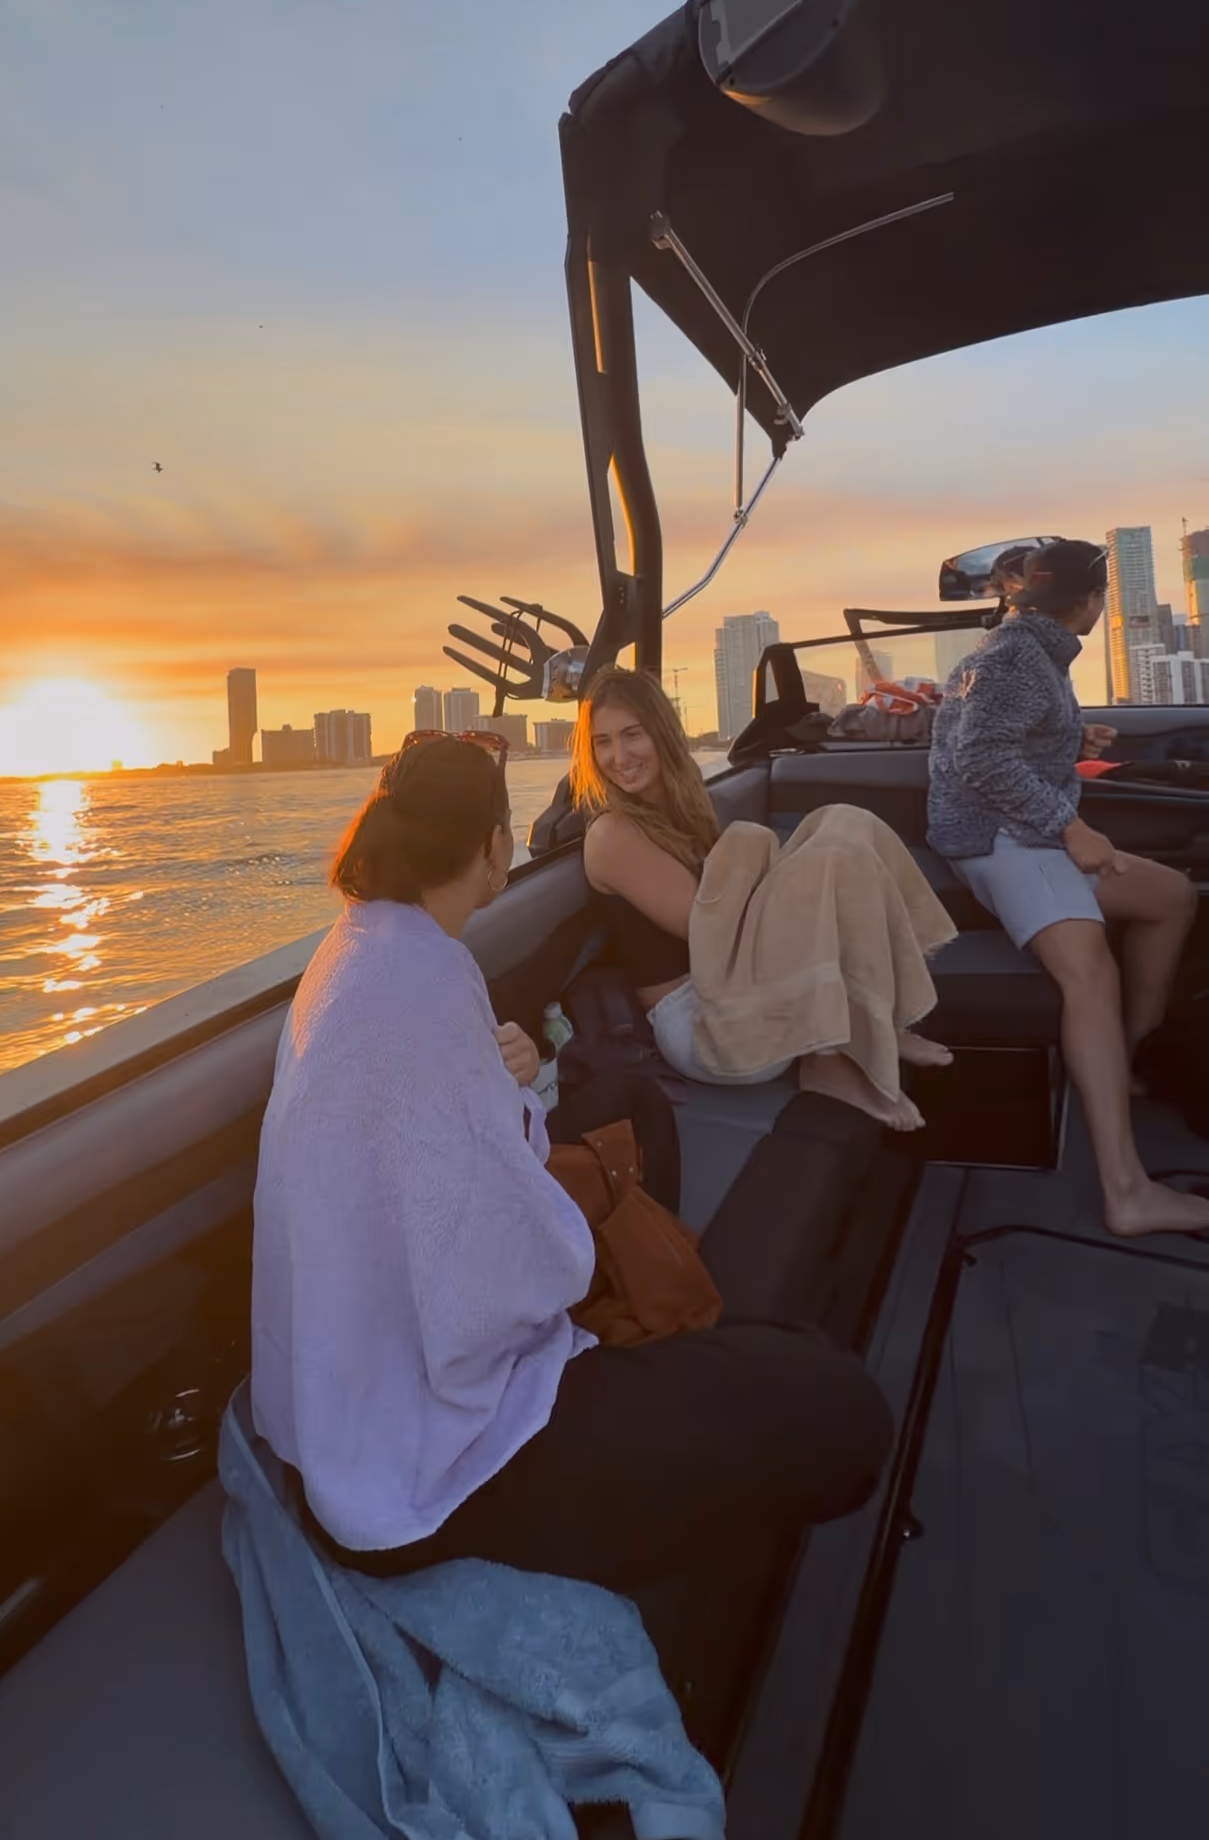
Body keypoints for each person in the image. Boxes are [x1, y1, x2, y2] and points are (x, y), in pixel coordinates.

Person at [250, 729, 891, 1631]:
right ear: (493, 848)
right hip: (429, 1467)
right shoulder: (429, 982)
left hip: (351, 1391)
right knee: (842, 1411)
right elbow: (506, 1286)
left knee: (630, 1097)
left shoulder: (359, 952)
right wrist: (557, 1216)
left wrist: (511, 1098)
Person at [928, 538, 1207, 1239]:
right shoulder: (1020, 656)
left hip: (1011, 829)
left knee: (1172, 896)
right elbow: (980, 753)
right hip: (1004, 839)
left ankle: (1129, 1061)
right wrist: (1069, 825)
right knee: (1089, 971)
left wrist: (1072, 736)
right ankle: (1127, 1190)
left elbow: (992, 728)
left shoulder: (1022, 648)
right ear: (1089, 602)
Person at [573, 666, 957, 1130]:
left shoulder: (680, 807)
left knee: (844, 823)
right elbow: (713, 933)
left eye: (631, 735)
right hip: (704, 1023)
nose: (618, 756)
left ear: (661, 732)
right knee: (829, 856)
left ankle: (873, 1024)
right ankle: (828, 1060)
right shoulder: (612, 834)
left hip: (737, 983)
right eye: (603, 742)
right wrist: (791, 876)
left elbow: (733, 921)